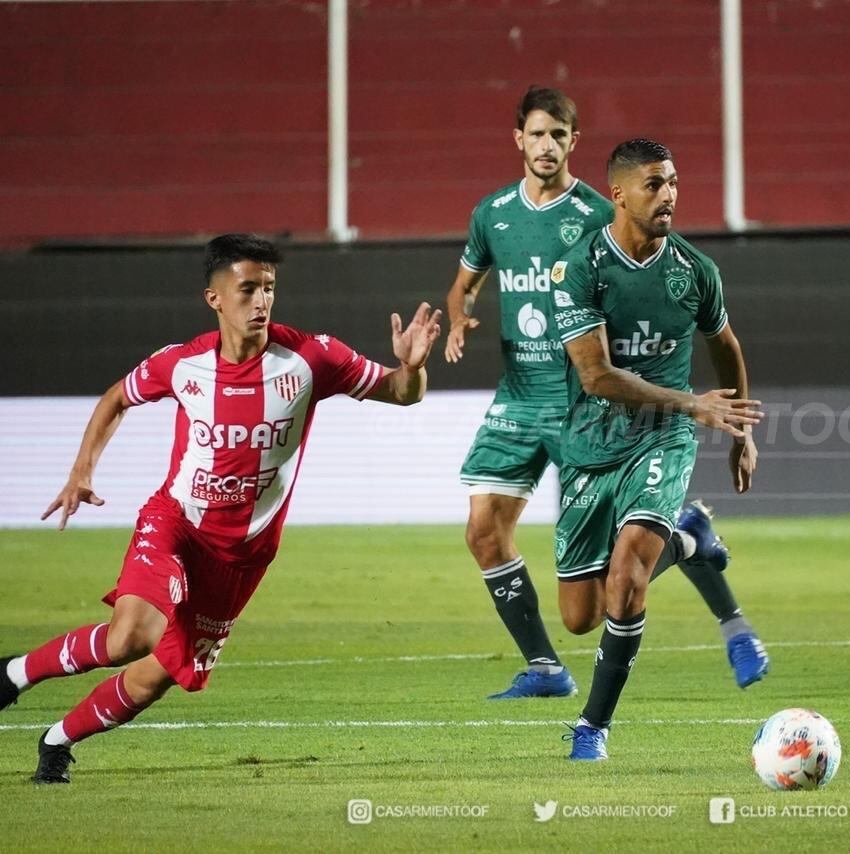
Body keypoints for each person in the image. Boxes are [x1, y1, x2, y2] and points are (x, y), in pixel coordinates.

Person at [0, 234, 442, 783]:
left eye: (269, 289)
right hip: (177, 524)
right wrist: (81, 471)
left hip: (242, 556)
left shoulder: (312, 357)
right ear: (215, 298)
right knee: (130, 635)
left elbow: (402, 392)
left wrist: (413, 367)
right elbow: (117, 396)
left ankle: (57, 739)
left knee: (156, 674)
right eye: (248, 289)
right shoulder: (182, 364)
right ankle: (12, 675)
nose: (261, 301)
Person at [444, 88, 769, 699]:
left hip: (587, 406)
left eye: (559, 135)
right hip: (519, 396)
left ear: (574, 141)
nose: (547, 146)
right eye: (537, 134)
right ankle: (544, 666)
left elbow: (644, 291)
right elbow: (462, 286)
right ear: (519, 139)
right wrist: (460, 316)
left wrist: (687, 399)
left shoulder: (601, 216)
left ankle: (725, 608)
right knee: (486, 534)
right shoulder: (492, 214)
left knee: (630, 557)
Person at [551, 139, 762, 760]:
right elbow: (596, 378)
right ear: (617, 193)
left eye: (672, 181)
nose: (668, 194)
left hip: (661, 439)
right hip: (592, 444)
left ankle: (593, 728)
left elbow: (727, 346)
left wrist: (741, 430)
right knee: (580, 616)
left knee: (627, 579)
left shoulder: (695, 271)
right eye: (653, 184)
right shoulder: (579, 267)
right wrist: (692, 401)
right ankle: (690, 534)